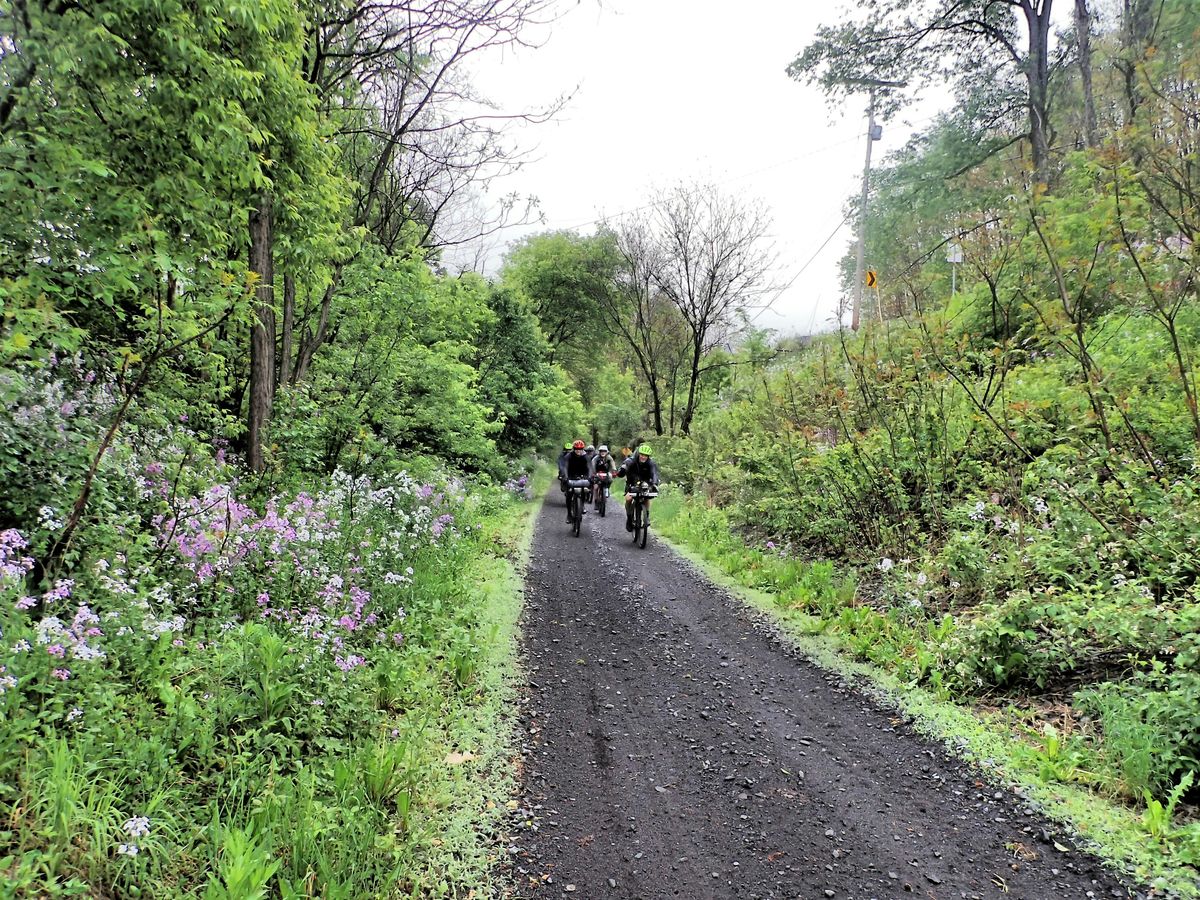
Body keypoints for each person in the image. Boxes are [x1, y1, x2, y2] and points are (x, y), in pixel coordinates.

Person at [616, 444, 660, 532]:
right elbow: (620, 474)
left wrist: (654, 484)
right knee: (628, 499)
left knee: (647, 497)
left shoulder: (651, 463)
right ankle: (629, 518)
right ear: (638, 454)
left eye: (646, 456)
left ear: (648, 456)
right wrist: (622, 470)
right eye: (642, 455)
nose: (643, 457)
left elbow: (654, 474)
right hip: (632, 483)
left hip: (646, 483)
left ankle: (646, 517)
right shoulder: (630, 461)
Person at [563, 440, 592, 523]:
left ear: (583, 449)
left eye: (580, 449)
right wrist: (565, 477)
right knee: (569, 494)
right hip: (571, 475)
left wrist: (590, 477)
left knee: (585, 490)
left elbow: (590, 467)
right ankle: (569, 514)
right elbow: (565, 467)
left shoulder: (586, 457)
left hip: (582, 476)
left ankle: (582, 505)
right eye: (576, 449)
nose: (578, 451)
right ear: (574, 449)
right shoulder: (568, 456)